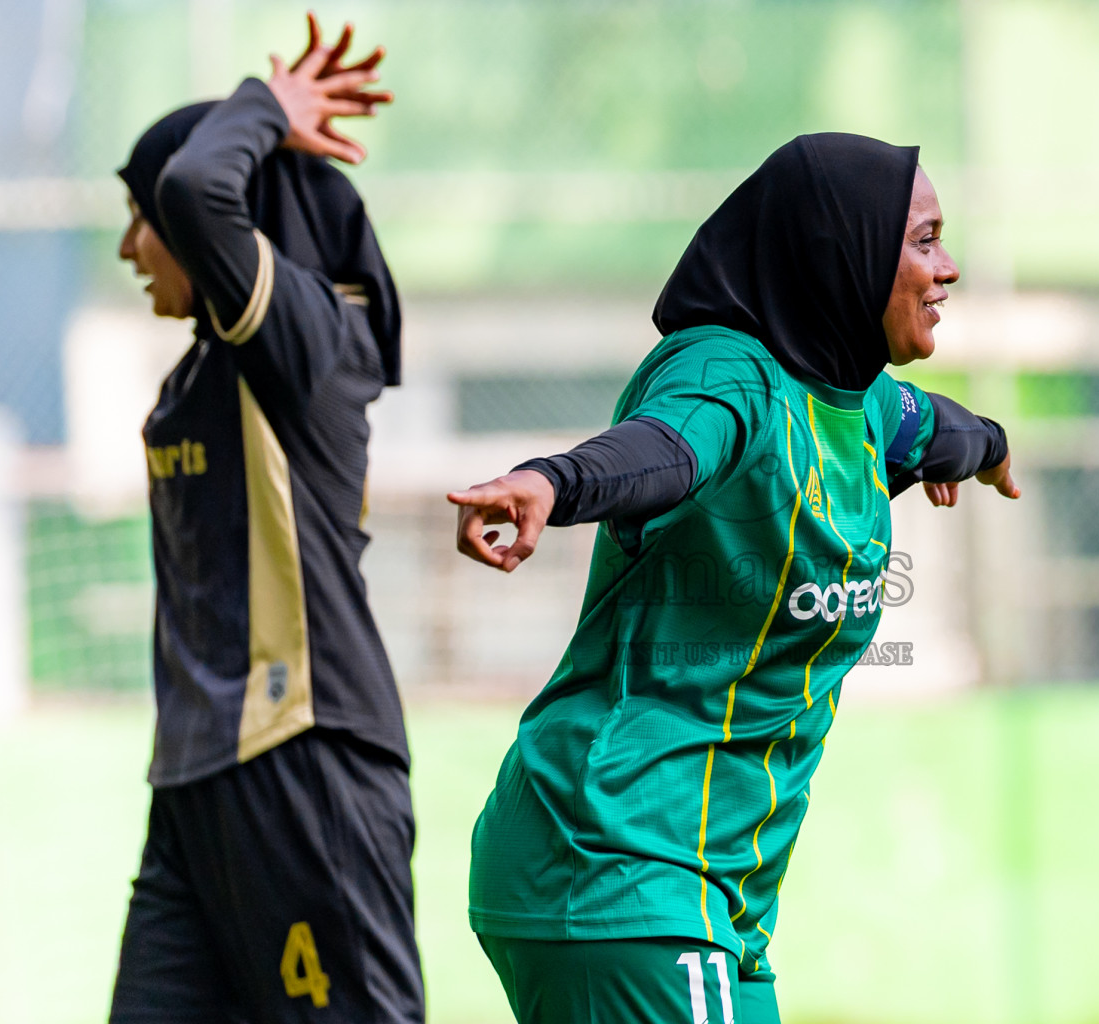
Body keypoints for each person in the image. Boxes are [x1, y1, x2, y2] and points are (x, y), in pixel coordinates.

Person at [448, 133, 1019, 1024]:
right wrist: (553, 482)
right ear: (846, 249)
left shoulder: (859, 398)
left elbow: (937, 426)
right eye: (922, 241)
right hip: (619, 858)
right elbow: (667, 449)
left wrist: (988, 447)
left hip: (708, 900)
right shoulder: (726, 372)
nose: (948, 268)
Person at [109, 17, 424, 1024]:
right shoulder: (202, 367)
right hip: (195, 781)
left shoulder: (302, 342)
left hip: (304, 762)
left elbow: (199, 186)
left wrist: (267, 105)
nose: (129, 245)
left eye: (138, 216)